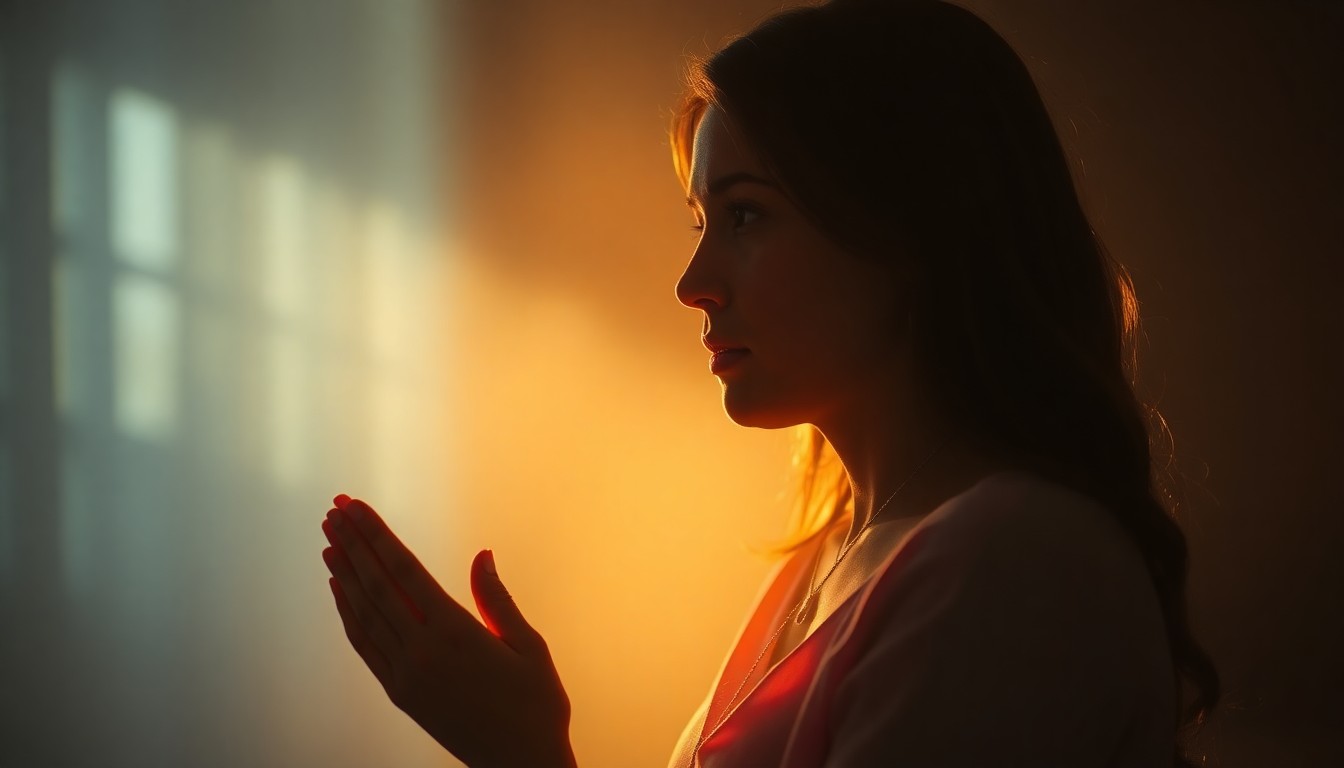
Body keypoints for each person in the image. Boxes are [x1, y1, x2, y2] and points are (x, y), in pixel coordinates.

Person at [318, 0, 1220, 766]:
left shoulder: (1017, 560)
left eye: (746, 215)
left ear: (909, 231)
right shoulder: (826, 560)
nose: (692, 283)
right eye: (703, 219)